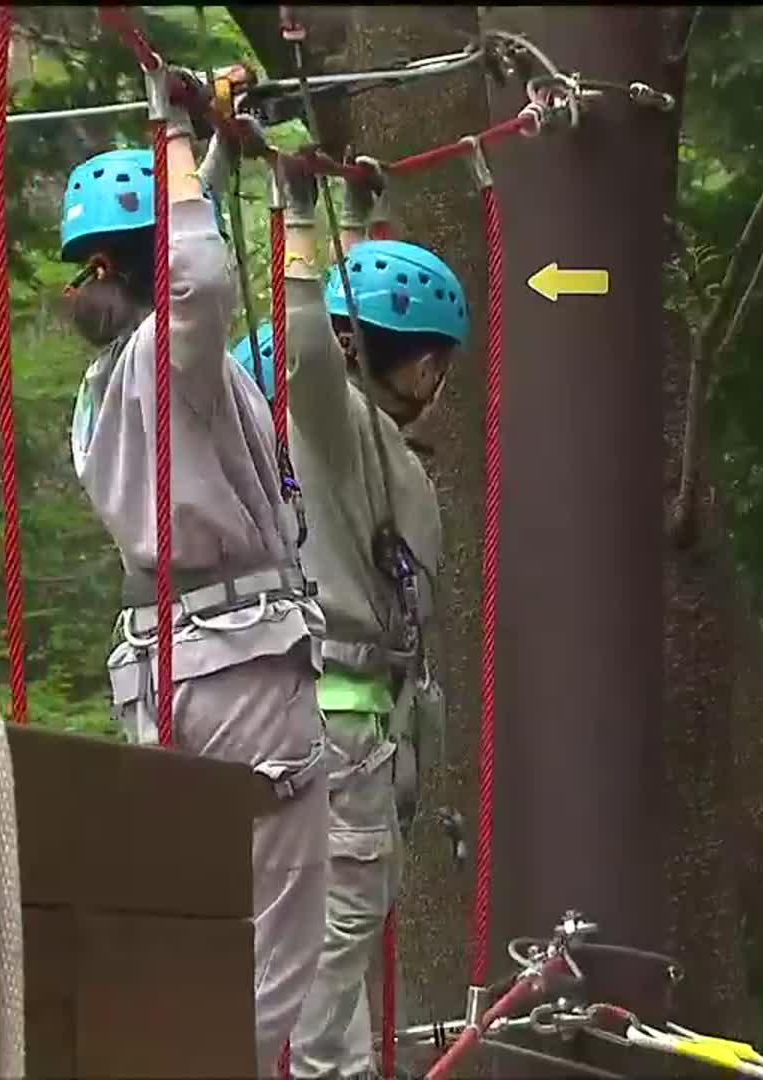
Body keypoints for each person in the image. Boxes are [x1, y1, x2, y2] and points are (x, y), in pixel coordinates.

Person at [62, 78, 329, 1077]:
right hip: (244, 673)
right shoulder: (164, 361)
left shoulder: (112, 391)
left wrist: (208, 154)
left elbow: (191, 269)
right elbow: (202, 283)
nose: (74, 290)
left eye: (87, 269)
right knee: (270, 956)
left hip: (166, 673)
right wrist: (173, 133)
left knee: (192, 926)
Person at [225, 155, 459, 1080]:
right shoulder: (326, 428)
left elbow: (338, 346)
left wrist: (357, 221)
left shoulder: (362, 444)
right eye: (433, 357)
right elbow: (321, 349)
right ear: (425, 361)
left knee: (329, 982)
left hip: (353, 731)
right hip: (344, 734)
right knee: (324, 1002)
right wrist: (296, 218)